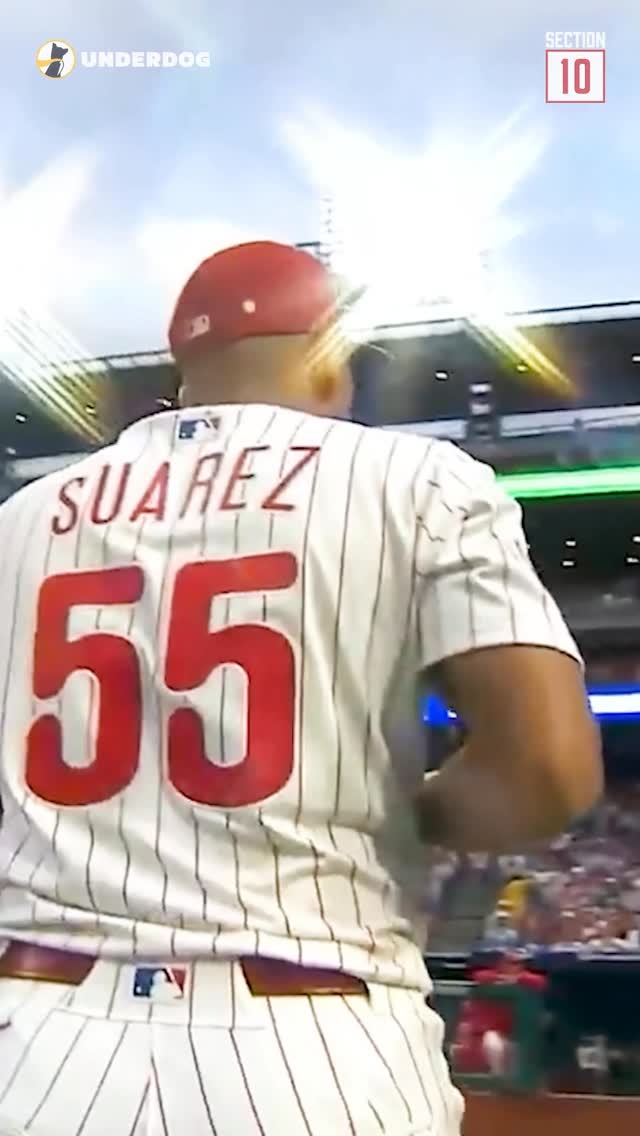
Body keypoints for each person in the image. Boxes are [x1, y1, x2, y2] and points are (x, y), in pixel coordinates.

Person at [0, 240, 601, 1135]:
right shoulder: (419, 480)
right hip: (311, 1042)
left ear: (183, 369)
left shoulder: (20, 519)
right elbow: (547, 771)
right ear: (329, 362)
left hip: (33, 1040)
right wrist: (399, 811)